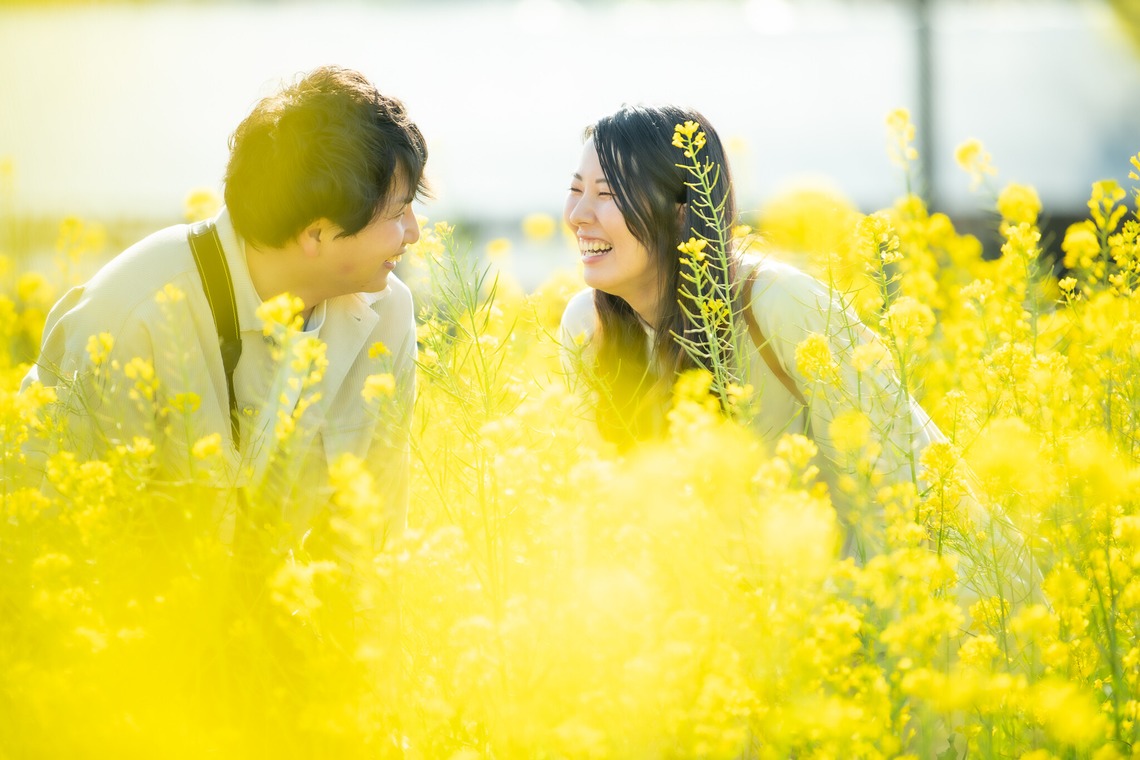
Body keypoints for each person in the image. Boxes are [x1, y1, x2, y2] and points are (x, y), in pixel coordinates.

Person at [558, 103, 1038, 608]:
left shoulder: (775, 304)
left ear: (680, 211)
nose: (577, 216)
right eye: (575, 190)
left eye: (606, 194)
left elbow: (909, 485)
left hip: (861, 628)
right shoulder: (587, 328)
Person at [20, 65, 424, 539]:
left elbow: (376, 543)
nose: (414, 234)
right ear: (316, 232)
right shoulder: (131, 318)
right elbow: (64, 539)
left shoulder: (388, 312)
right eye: (398, 213)